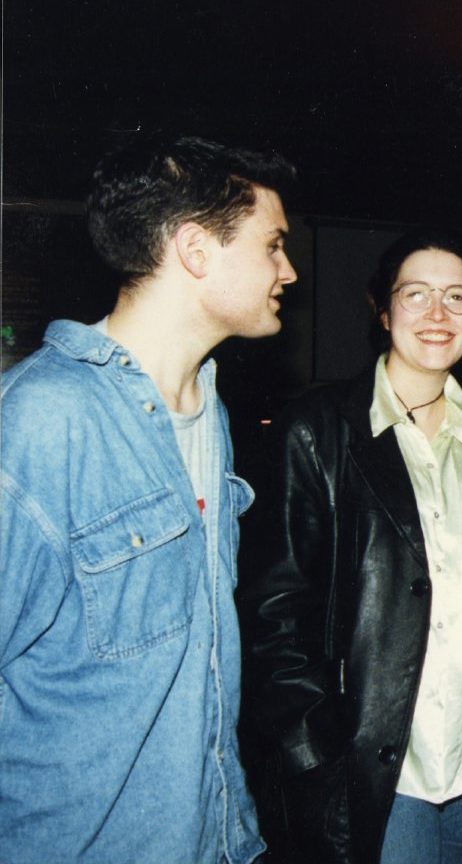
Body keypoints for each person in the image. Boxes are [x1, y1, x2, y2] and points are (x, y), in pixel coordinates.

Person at [0, 135, 297, 863]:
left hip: (216, 837)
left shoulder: (208, 409)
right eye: (273, 245)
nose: (289, 270)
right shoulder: (43, 419)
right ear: (196, 250)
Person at [238, 229, 462, 864]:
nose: (438, 314)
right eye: (417, 295)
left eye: (457, 297)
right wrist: (313, 749)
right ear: (383, 310)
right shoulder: (318, 431)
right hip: (379, 760)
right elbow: (272, 613)